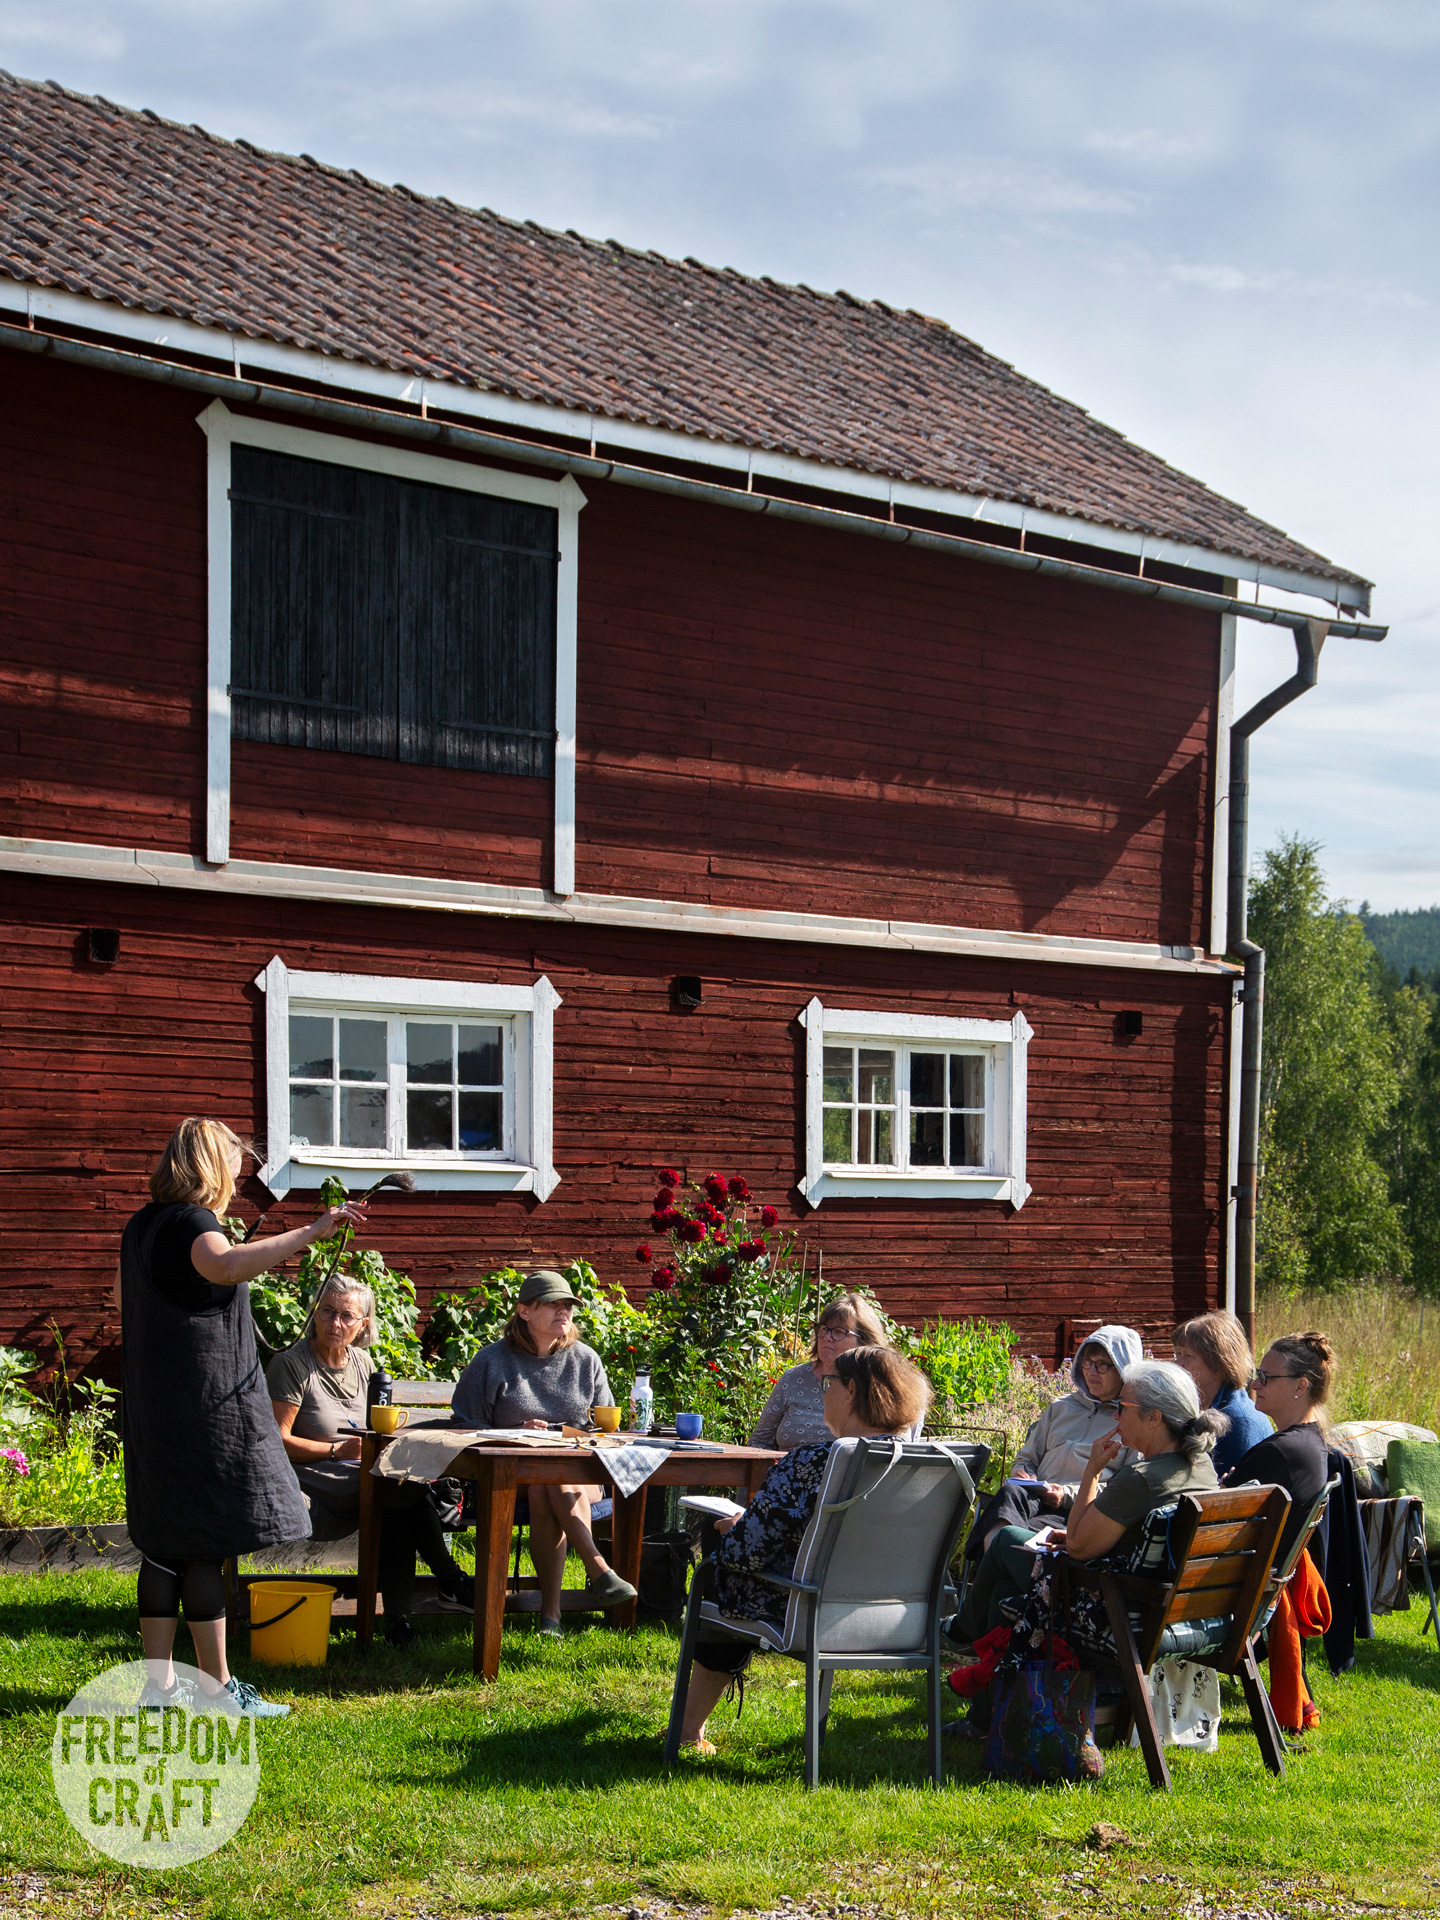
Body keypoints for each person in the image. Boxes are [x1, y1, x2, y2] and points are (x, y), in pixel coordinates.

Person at [117, 1117, 367, 1717]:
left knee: (161, 1548)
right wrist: (312, 1231)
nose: (238, 1172)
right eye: (233, 1161)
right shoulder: (195, 1223)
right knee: (203, 1545)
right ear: (209, 1163)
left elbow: (129, 1300)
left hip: (153, 1406)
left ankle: (159, 1690)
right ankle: (217, 1692)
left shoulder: (141, 1226)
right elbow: (224, 1266)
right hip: (199, 1409)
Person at [675, 1344, 932, 1754]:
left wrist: (736, 1529)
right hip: (899, 1618)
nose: (822, 1391)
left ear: (851, 1391)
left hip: (811, 1613)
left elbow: (747, 1555)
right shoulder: (926, 1465)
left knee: (721, 1563)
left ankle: (687, 1730)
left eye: (828, 1382)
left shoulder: (812, 1461)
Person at [267, 1274, 476, 1649]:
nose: (335, 1323)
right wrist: (335, 1451)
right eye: (328, 1311)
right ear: (314, 1314)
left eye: (347, 1316)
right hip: (313, 1480)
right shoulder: (292, 1364)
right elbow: (276, 1442)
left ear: (363, 1324)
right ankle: (448, 1580)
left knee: (395, 1499)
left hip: (364, 1478)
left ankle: (399, 1622)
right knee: (399, 1490)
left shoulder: (362, 1362)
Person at [955, 1358, 1224, 1642]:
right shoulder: (1201, 1465)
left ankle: (960, 1632)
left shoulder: (1140, 1478)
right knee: (1005, 1591)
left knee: (1005, 1539)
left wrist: (1092, 1471)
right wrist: (1074, 1536)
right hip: (1164, 1603)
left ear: (1154, 1417)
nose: (1116, 1417)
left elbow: (1079, 1547)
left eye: (1123, 1407)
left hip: (1106, 1606)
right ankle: (988, 1663)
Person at [452, 1270, 636, 1635]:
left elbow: (605, 1424)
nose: (563, 1312)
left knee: (549, 1483)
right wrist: (511, 1432)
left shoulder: (586, 1360)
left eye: (568, 1306)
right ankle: (597, 1571)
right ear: (524, 1312)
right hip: (510, 1477)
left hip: (581, 1474)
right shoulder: (492, 1361)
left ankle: (552, 1615)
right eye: (553, 1305)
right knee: (544, 1482)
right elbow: (463, 1427)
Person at [1221, 1331, 1338, 1734]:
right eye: (1257, 1374)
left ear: (1300, 1387)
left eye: (1266, 1377)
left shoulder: (1281, 1453)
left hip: (1222, 1594)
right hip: (1258, 1585)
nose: (1254, 1383)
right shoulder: (1311, 1444)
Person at [750, 1293, 903, 1451]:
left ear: (865, 1341)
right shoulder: (793, 1378)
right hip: (789, 1471)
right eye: (824, 1329)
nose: (827, 1337)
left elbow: (894, 1446)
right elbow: (760, 1441)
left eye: (838, 1332)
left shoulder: (878, 1387)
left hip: (849, 1474)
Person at [1172, 1310, 1272, 1475]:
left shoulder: (1237, 1422)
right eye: (1177, 1354)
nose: (1177, 1364)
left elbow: (1228, 1496)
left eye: (1188, 1356)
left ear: (1218, 1366)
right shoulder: (1203, 1407)